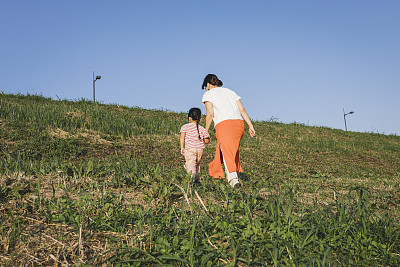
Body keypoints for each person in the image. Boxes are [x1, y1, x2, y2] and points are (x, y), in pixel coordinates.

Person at [201, 74, 255, 188]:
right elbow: (242, 109)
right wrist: (250, 125)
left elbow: (210, 113)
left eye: (205, 87)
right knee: (229, 149)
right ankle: (225, 174)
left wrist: (205, 131)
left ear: (208, 84)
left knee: (227, 151)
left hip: (224, 124)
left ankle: (233, 179)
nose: (206, 89)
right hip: (239, 124)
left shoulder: (208, 94)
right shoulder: (230, 92)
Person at [179, 108, 210, 182]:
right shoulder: (202, 128)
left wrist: (182, 147)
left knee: (190, 163)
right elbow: (206, 140)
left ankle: (191, 178)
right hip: (200, 150)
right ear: (200, 119)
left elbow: (182, 137)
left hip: (190, 149)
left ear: (189, 118)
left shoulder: (185, 127)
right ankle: (197, 178)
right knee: (196, 164)